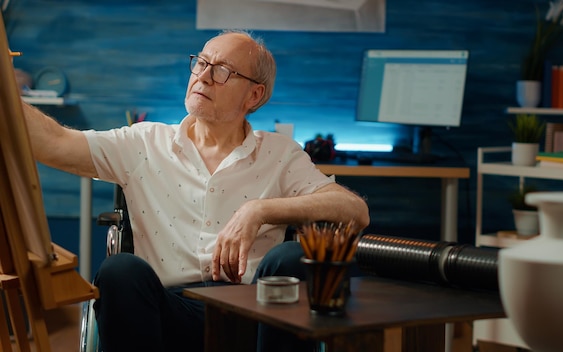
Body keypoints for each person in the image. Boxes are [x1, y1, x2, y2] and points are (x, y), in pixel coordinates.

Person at [19, 30, 369, 351]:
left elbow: (354, 210)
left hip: (255, 316)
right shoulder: (145, 142)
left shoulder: (279, 153)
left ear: (254, 94)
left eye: (222, 70)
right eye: (201, 63)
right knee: (119, 271)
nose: (202, 76)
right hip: (167, 308)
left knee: (292, 259)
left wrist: (259, 210)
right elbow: (54, 142)